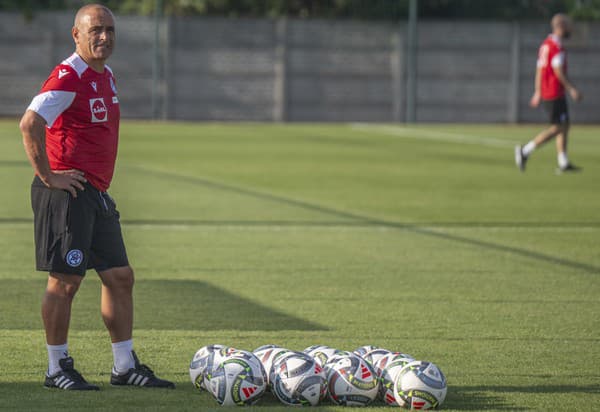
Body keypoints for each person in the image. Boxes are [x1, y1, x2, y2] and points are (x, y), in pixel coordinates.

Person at [19, 4, 174, 390]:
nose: (104, 37)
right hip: (67, 194)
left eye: (109, 30)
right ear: (76, 35)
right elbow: (30, 123)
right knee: (65, 283)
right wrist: (48, 176)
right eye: (95, 31)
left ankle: (124, 366)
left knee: (120, 277)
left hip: (96, 194)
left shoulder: (105, 76)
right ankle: (56, 368)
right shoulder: (68, 76)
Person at [515, 13, 582, 173]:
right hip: (553, 92)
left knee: (564, 125)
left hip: (550, 91)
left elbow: (539, 69)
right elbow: (558, 71)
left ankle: (563, 161)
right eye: (567, 26)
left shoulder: (546, 44)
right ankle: (525, 151)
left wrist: (537, 91)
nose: (570, 29)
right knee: (558, 127)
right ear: (560, 27)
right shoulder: (556, 47)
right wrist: (571, 89)